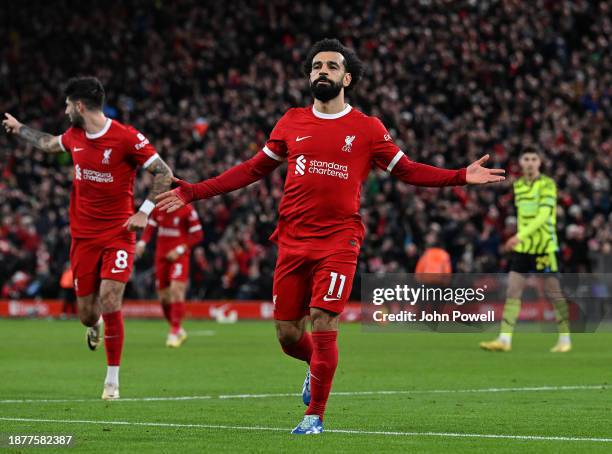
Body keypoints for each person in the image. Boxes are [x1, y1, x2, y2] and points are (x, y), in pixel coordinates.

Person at [156, 38, 504, 434]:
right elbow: (251, 170)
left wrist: (460, 175)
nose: (322, 71)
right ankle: (312, 367)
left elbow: (407, 170)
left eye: (331, 66)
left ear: (347, 78)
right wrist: (194, 190)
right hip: (291, 239)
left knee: (323, 320)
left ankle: (314, 416)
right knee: (289, 335)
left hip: (340, 240)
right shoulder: (291, 122)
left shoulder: (368, 128)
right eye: (316, 66)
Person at [3, 76, 173, 399]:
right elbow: (48, 144)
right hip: (83, 237)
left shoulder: (127, 138)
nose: (66, 110)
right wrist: (20, 127)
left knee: (111, 299)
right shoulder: (74, 136)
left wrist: (145, 211)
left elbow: (163, 172)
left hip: (119, 234)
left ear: (80, 105)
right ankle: (93, 328)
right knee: (87, 314)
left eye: (68, 105)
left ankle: (112, 380)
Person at [480, 147, 571, 353]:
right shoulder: (519, 186)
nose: (530, 162)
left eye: (533, 158)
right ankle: (504, 339)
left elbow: (544, 216)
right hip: (523, 248)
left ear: (539, 162)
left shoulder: (547, 184)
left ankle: (565, 339)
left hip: (544, 247)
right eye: (526, 158)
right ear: (521, 162)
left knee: (554, 293)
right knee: (513, 290)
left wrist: (519, 236)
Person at [135, 205, 203, 347]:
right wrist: (141, 243)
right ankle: (178, 328)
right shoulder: (159, 208)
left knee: (176, 289)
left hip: (179, 256)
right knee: (164, 297)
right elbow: (150, 228)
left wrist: (179, 249)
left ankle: (174, 331)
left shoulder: (188, 209)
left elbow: (198, 235)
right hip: (161, 256)